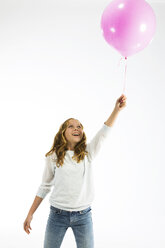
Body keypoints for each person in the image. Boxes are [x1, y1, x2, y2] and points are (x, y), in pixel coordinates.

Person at [23, 94, 127, 248]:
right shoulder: (53, 157)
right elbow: (44, 187)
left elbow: (104, 132)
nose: (76, 128)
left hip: (83, 216)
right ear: (63, 132)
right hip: (57, 215)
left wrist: (116, 110)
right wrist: (30, 213)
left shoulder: (87, 153)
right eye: (71, 126)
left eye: (79, 126)